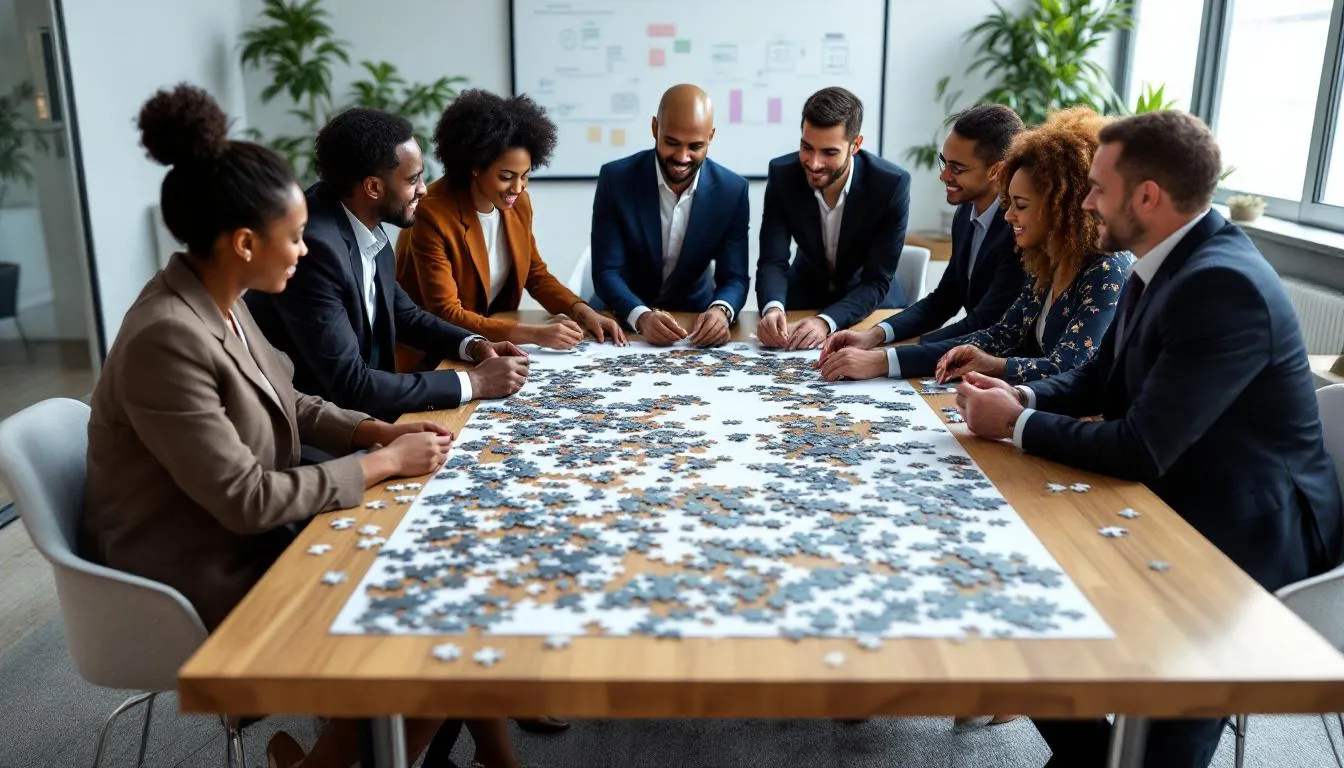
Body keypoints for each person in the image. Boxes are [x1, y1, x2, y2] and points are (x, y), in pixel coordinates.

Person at [81, 84, 484, 768]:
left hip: (258, 532)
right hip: (196, 571)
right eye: (294, 236)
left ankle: (335, 757)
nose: (305, 250)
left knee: (449, 604)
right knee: (427, 628)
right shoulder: (166, 338)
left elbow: (292, 398)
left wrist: (371, 434)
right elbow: (243, 501)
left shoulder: (222, 301)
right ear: (244, 242)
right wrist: (382, 464)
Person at [956, 110, 1344, 768]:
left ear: (1147, 197)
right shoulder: (1160, 260)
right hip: (1182, 496)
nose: (1084, 201)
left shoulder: (1222, 285)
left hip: (1256, 537)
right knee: (1018, 607)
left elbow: (1140, 446)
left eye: (1097, 188)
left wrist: (1016, 427)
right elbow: (1100, 377)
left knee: (1147, 736)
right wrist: (1023, 397)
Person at [245, 107, 530, 424]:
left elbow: (403, 313)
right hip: (317, 431)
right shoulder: (314, 250)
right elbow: (351, 386)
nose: (423, 188)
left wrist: (474, 345)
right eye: (413, 179)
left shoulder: (362, 219)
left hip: (366, 415)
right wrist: (476, 382)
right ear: (373, 187)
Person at [819, 107, 1129, 385]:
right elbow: (999, 331)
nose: (1009, 216)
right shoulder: (1046, 260)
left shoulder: (1104, 269)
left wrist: (888, 358)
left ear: (1060, 207)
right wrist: (878, 340)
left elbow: (1068, 367)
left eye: (1019, 204)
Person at [395, 89, 625, 351]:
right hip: (433, 351)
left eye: (525, 175)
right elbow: (447, 313)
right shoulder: (432, 214)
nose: (518, 188)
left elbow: (535, 274)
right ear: (476, 166)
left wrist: (582, 310)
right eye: (506, 176)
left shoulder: (519, 204)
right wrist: (535, 334)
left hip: (491, 344)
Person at [816, 105, 1026, 368]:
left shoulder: (1018, 229)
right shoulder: (964, 214)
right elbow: (943, 300)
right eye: (944, 162)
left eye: (957, 168)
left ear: (997, 170)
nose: (944, 175)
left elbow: (985, 322)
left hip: (1000, 368)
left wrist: (887, 358)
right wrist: (873, 336)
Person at [591, 83, 750, 347]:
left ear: (711, 136)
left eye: (695, 146)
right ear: (655, 128)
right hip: (621, 317)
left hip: (694, 320)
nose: (682, 157)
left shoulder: (732, 191)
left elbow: (734, 277)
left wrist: (721, 311)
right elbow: (607, 271)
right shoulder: (616, 180)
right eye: (672, 142)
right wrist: (640, 316)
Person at [756, 86, 911, 350]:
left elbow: (876, 281)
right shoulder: (782, 175)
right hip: (802, 299)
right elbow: (773, 259)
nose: (814, 163)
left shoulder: (890, 184)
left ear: (855, 145)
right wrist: (772, 308)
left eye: (829, 152)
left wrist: (826, 321)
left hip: (870, 307)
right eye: (807, 147)